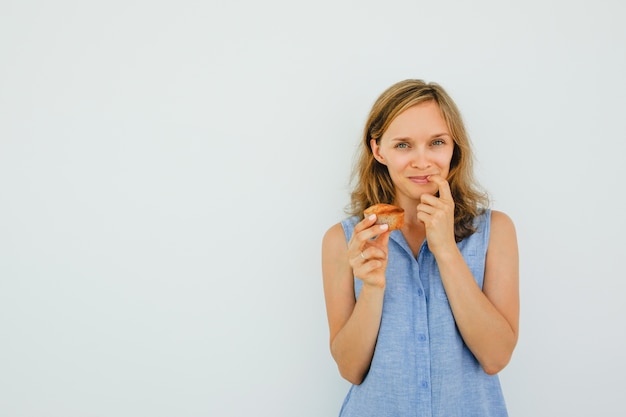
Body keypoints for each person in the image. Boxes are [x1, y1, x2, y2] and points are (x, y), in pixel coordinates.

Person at [321, 79, 519, 417]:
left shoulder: (495, 231)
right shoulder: (343, 241)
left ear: (454, 147)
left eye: (437, 142)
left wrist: (446, 251)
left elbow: (495, 357)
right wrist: (372, 285)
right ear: (378, 150)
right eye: (403, 145)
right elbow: (350, 368)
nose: (422, 161)